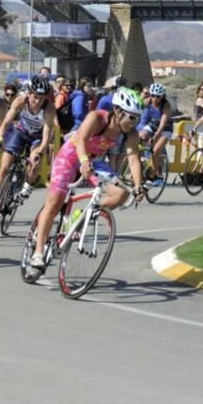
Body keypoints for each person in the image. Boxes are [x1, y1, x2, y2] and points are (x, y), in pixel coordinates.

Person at [27, 87, 146, 270]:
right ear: (118, 111)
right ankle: (38, 252)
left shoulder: (131, 133)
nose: (134, 122)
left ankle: (79, 218)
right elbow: (81, 138)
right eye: (131, 117)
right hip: (71, 156)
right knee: (55, 201)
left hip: (93, 161)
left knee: (120, 194)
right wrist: (83, 161)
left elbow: (133, 158)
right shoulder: (97, 118)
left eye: (137, 118)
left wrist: (138, 186)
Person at [0, 74, 55, 223]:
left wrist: (39, 153)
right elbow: (6, 122)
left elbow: (46, 138)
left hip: (37, 138)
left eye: (41, 98)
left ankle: (28, 184)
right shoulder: (20, 101)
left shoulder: (48, 109)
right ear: (29, 94)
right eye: (35, 97)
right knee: (3, 169)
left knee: (34, 163)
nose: (37, 101)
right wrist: (0, 139)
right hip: (21, 133)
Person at [136, 82, 174, 184]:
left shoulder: (166, 106)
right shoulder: (147, 101)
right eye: (152, 95)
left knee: (156, 150)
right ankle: (140, 163)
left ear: (162, 96)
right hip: (153, 124)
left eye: (158, 97)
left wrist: (155, 137)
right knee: (140, 136)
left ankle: (153, 175)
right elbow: (136, 108)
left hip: (165, 128)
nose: (155, 99)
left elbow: (162, 124)